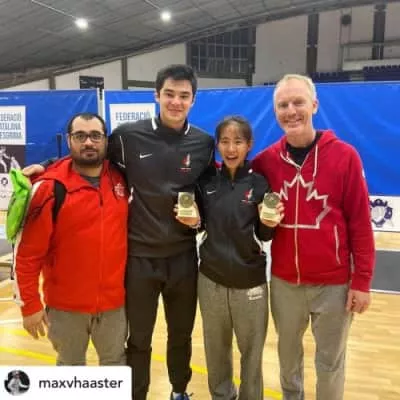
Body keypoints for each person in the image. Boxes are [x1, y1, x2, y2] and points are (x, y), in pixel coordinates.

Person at [252, 74, 375, 400]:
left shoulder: (345, 156)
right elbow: (233, 183)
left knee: (330, 363)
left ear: (315, 105)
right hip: (284, 284)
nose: (291, 111)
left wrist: (362, 281)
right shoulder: (265, 162)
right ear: (275, 111)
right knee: (287, 360)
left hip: (334, 286)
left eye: (298, 102)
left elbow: (361, 223)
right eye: (283, 105)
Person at [176, 116, 283, 400]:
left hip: (251, 284)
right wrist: (193, 221)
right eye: (225, 141)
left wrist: (269, 224)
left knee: (252, 354)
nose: (231, 148)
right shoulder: (206, 182)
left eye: (238, 141)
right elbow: (198, 223)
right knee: (216, 352)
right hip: (210, 280)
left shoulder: (260, 184)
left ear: (249, 145)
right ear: (217, 145)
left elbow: (265, 234)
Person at [14, 112, 128, 366]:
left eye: (95, 136)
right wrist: (29, 305)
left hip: (114, 305)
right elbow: (27, 254)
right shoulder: (48, 187)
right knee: (70, 371)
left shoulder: (121, 178)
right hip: (66, 308)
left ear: (105, 140)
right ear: (69, 140)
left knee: (115, 368)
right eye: (80, 136)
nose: (88, 142)